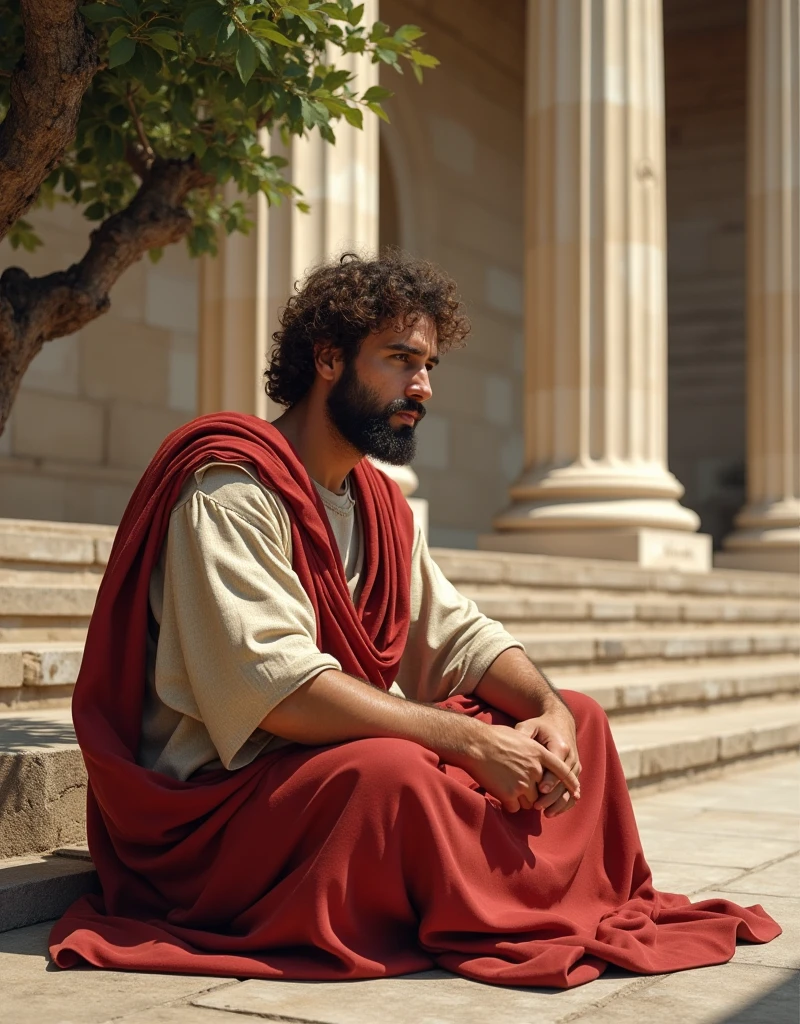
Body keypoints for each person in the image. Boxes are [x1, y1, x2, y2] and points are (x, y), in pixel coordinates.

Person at [50, 251, 779, 988]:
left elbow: (459, 639)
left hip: (314, 772)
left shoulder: (379, 506)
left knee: (582, 719)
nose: (422, 388)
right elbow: (277, 688)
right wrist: (466, 743)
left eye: (429, 365)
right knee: (394, 771)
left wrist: (548, 709)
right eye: (401, 361)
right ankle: (511, 901)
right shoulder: (231, 490)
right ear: (328, 358)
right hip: (221, 813)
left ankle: (519, 898)